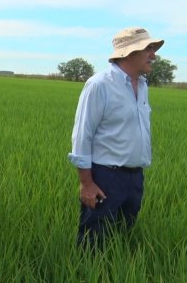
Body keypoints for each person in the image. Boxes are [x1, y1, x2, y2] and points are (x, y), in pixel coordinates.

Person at [68, 27, 164, 248]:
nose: (154, 55)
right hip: (105, 178)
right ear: (129, 53)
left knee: (121, 240)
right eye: (148, 49)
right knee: (94, 243)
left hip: (135, 178)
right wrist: (87, 183)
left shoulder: (142, 85)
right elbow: (82, 136)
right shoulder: (99, 85)